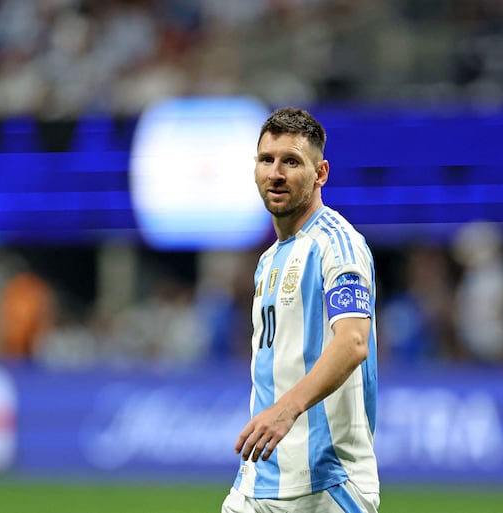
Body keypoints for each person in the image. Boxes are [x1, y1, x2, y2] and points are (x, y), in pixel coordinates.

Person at [221, 107, 380, 513]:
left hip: (325, 485)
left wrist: (286, 410)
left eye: (291, 161)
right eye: (266, 160)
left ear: (320, 173)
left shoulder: (338, 244)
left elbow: (354, 341)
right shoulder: (268, 260)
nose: (276, 173)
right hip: (259, 481)